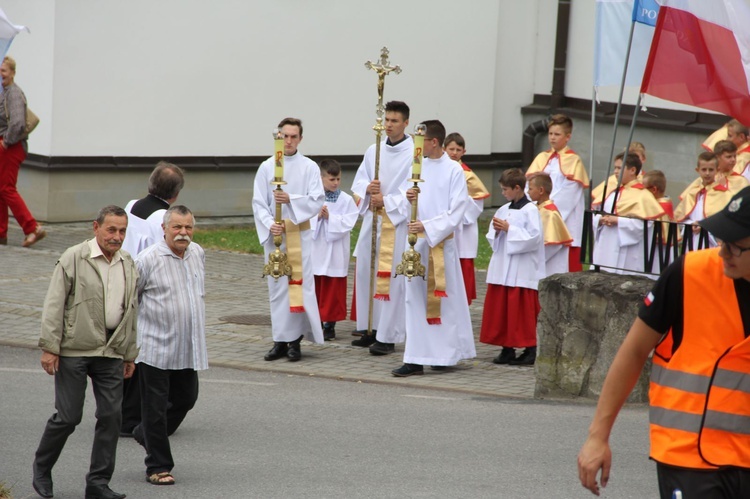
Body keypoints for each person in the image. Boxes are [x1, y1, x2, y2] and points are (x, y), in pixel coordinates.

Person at [578, 186, 750, 499]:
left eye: (736, 246)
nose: (723, 252)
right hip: (688, 457)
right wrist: (597, 436)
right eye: (722, 240)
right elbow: (633, 352)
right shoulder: (689, 273)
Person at [32, 205, 138, 499]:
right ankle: (42, 469)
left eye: (122, 231)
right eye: (111, 230)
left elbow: (131, 310)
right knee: (68, 417)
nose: (117, 237)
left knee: (112, 416)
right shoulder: (73, 257)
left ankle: (98, 483)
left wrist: (129, 353)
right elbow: (54, 304)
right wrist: (50, 348)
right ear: (96, 227)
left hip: (112, 352)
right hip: (74, 350)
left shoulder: (127, 262)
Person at [390, 120, 475, 377]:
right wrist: (407, 200)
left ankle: (443, 355)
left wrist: (426, 226)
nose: (417, 148)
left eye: (421, 142)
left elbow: (457, 209)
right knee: (413, 300)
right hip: (416, 244)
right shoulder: (417, 167)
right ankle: (414, 358)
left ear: (434, 141)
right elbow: (402, 200)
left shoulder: (453, 171)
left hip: (439, 244)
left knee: (442, 301)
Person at [131, 205, 207, 486]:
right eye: (177, 227)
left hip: (188, 346)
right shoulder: (147, 259)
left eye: (188, 227)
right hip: (155, 347)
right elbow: (130, 300)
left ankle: (144, 433)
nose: (183, 233)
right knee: (154, 408)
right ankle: (158, 466)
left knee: (187, 399)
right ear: (164, 228)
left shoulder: (197, 253)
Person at [120, 160, 185, 438]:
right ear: (176, 194)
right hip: (148, 286)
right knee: (144, 355)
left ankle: (122, 411)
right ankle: (132, 417)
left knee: (129, 349)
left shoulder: (132, 204)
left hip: (123, 277)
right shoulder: (163, 219)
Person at [252, 117, 325, 361]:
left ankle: (295, 342)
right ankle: (279, 341)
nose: (289, 140)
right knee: (277, 289)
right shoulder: (266, 167)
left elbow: (316, 200)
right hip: (275, 236)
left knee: (298, 287)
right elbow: (259, 202)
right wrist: (269, 224)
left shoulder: (309, 167)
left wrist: (291, 198)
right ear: (279, 137)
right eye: (285, 136)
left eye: (294, 136)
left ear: (300, 138)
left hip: (299, 235)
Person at [350, 100, 413, 355]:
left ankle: (388, 336)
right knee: (367, 272)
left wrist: (386, 200)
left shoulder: (413, 153)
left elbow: (413, 189)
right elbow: (359, 181)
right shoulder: (373, 149)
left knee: (391, 278)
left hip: (394, 224)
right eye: (386, 120)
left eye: (394, 121)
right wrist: (367, 190)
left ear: (405, 122)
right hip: (372, 219)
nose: (388, 125)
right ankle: (370, 328)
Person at [480, 168, 544, 366]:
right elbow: (492, 234)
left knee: (521, 312)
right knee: (502, 311)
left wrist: (509, 229)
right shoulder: (504, 208)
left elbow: (534, 238)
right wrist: (497, 231)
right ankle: (506, 348)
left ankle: (530, 349)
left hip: (521, 268)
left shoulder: (531, 210)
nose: (503, 193)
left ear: (518, 188)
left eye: (505, 189)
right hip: (502, 266)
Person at [525, 114, 589, 272]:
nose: (552, 138)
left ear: (568, 137)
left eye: (557, 134)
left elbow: (569, 193)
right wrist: (534, 206)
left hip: (563, 218)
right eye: (550, 134)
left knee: (563, 263)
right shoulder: (542, 157)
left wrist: (548, 208)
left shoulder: (574, 161)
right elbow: (530, 184)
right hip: (539, 212)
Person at [592, 153, 666, 275]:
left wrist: (618, 221)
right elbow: (597, 212)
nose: (615, 171)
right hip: (605, 244)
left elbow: (644, 225)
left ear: (632, 170)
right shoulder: (611, 192)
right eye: (615, 168)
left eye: (619, 168)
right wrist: (600, 219)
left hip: (627, 249)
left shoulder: (643, 195)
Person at [0, 55, 45, 247]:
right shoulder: (5, 92)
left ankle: (32, 228)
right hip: (8, 146)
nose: (2, 74)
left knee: (7, 189)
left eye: (4, 70)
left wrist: (6, 142)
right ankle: (1, 233)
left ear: (12, 73)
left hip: (11, 147)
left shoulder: (13, 93)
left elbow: (18, 123)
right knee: (1, 189)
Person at [310, 159, 358, 341]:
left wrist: (332, 218)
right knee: (317, 286)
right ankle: (316, 322)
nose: (335, 183)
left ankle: (330, 324)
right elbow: (304, 219)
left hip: (336, 249)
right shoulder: (314, 198)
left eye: (338, 179)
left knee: (332, 289)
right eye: (331, 179)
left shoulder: (345, 199)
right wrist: (317, 217)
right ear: (321, 178)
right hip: (317, 248)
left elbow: (349, 221)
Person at [443, 132, 490, 305]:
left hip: (461, 230)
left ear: (464, 152)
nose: (454, 153)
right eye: (451, 149)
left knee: (461, 265)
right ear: (443, 149)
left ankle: (461, 303)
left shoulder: (468, 175)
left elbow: (476, 204)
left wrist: (455, 215)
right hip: (441, 225)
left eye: (458, 149)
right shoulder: (439, 170)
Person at [121, 161, 185, 257]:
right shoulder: (165, 218)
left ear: (150, 183)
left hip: (124, 263)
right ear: (176, 193)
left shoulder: (130, 205)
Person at [674, 152, 732, 251]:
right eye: (704, 169)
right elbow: (681, 218)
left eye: (711, 170)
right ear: (698, 170)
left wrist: (704, 225)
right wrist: (692, 223)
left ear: (717, 170)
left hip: (711, 243)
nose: (707, 173)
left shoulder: (724, 194)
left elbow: (726, 221)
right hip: (691, 240)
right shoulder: (693, 192)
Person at [527, 173, 572, 276]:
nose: (528, 192)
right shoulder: (536, 209)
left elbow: (552, 245)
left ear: (541, 190)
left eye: (530, 189)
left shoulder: (550, 213)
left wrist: (534, 260)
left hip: (550, 266)